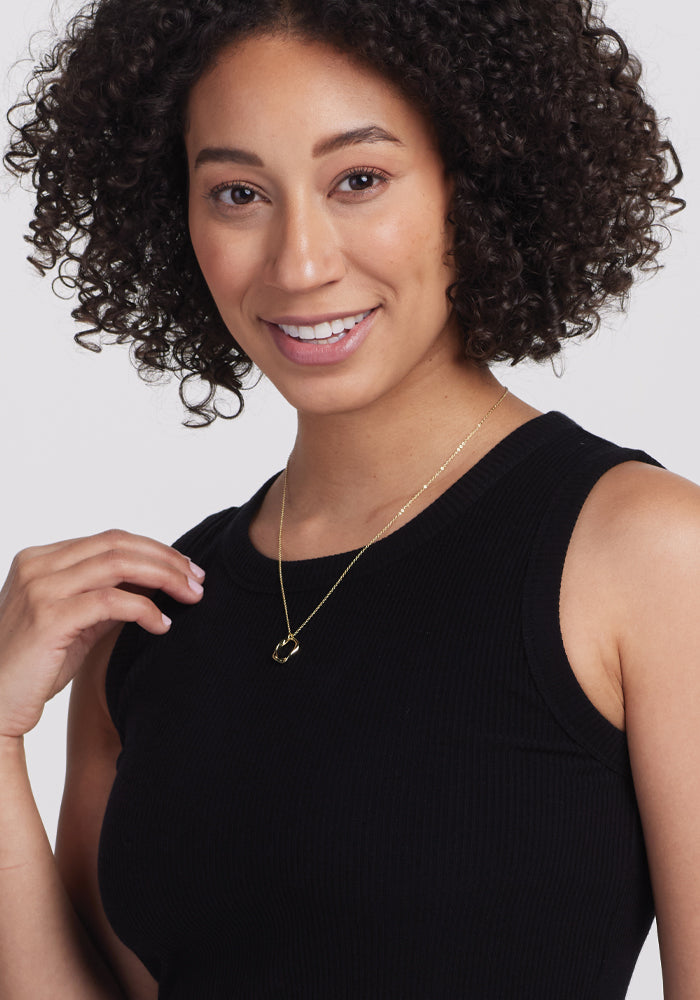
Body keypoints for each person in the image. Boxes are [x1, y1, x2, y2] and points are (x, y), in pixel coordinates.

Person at [0, 0, 695, 997]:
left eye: (359, 180)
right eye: (238, 192)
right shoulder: (144, 619)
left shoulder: (646, 557)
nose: (299, 262)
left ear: (475, 180)